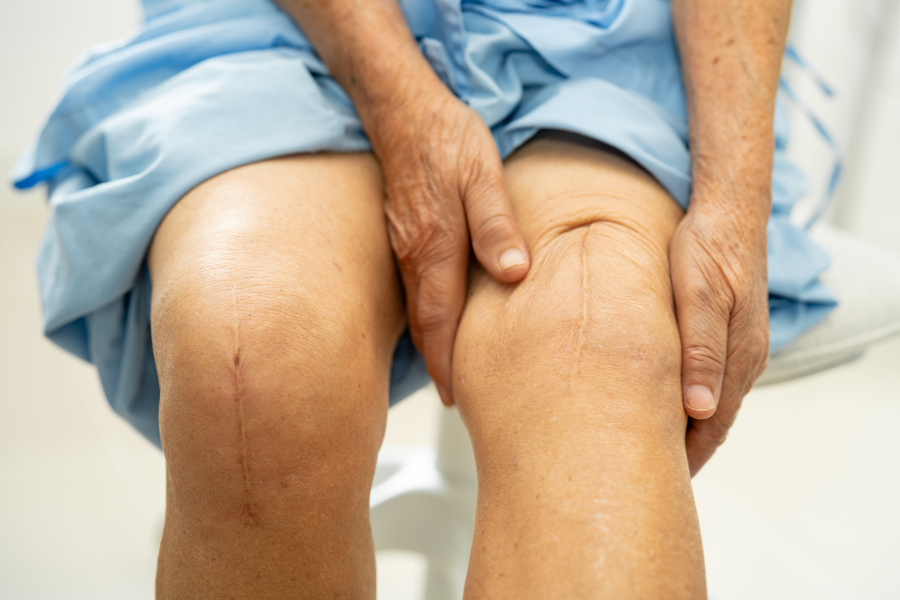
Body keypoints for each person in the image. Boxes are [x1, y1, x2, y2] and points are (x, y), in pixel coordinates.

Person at [13, 0, 838, 597]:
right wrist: (400, 101)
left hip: (602, 39)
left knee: (599, 355)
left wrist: (735, 203)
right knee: (250, 357)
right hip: (282, 25)